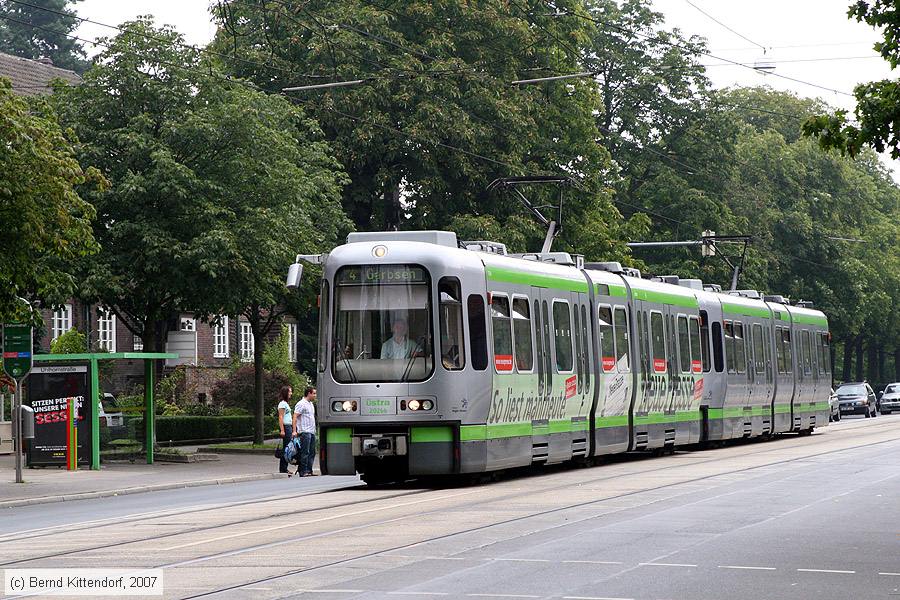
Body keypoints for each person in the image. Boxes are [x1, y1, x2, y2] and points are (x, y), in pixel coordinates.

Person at [293, 386, 317, 477]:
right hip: (304, 431)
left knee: (312, 452)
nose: (315, 395)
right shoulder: (301, 404)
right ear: (309, 393)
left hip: (311, 431)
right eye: (314, 393)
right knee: (305, 452)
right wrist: (294, 431)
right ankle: (302, 471)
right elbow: (295, 417)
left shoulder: (310, 404)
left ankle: (309, 470)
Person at [276, 386, 293, 474]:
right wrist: (282, 430)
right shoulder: (282, 404)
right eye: (290, 392)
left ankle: (284, 467)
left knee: (287, 447)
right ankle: (283, 468)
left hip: (288, 426)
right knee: (286, 448)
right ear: (285, 393)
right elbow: (281, 417)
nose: (291, 393)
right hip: (286, 427)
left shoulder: (285, 404)